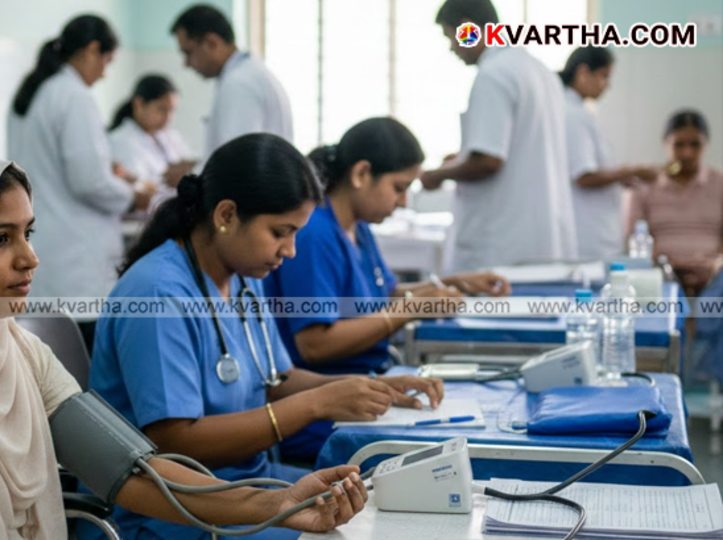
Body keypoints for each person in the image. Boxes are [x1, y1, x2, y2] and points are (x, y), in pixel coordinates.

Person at [0, 142, 368, 540]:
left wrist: (279, 506)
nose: (29, 257)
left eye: (27, 233)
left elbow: (134, 471)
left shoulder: (14, 349)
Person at [90, 133, 444, 540]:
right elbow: (175, 442)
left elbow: (276, 379)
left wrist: (366, 388)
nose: (291, 250)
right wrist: (315, 404)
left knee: (382, 513)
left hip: (248, 485)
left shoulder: (243, 277)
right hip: (172, 515)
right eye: (281, 232)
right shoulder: (159, 293)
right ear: (226, 215)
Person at [264, 117, 508, 460]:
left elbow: (382, 295)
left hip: (366, 383)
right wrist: (409, 310)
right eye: (399, 187)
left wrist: (450, 283)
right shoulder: (315, 234)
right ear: (361, 174)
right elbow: (315, 344)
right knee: (454, 449)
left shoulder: (357, 228)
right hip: (325, 406)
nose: (405, 201)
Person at [8, 15, 156, 353]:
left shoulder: (32, 94)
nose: (104, 72)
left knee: (45, 371)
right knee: (79, 377)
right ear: (91, 50)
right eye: (106, 61)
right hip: (76, 265)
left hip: (44, 252)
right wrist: (134, 196)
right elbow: (89, 181)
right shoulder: (74, 96)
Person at [419, 0, 577, 272]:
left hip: (503, 245)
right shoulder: (539, 71)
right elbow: (523, 149)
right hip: (543, 238)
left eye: (451, 37)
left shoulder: (493, 74)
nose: (452, 48)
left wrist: (437, 175)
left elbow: (489, 161)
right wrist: (464, 156)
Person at [561, 46, 658, 260]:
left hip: (593, 232)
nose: (607, 85)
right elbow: (583, 176)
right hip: (587, 237)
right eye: (604, 76)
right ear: (583, 72)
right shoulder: (573, 115)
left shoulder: (577, 112)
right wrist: (629, 171)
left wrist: (623, 176)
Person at [170, 4, 293, 165]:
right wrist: (195, 166)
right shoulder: (248, 74)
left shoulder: (239, 84)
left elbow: (236, 163)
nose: (186, 64)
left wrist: (191, 174)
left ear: (211, 42)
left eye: (188, 52)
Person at [625, 110, 723, 296]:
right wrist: (667, 268)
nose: (687, 153)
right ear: (665, 144)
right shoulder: (644, 186)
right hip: (661, 272)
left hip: (715, 273)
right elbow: (634, 237)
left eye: (695, 145)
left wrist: (715, 265)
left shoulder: (719, 183)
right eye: (679, 145)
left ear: (705, 145)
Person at [108, 74, 195, 211]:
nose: (168, 117)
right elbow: (135, 191)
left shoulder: (171, 137)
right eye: (162, 109)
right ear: (139, 103)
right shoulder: (120, 140)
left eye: (172, 110)